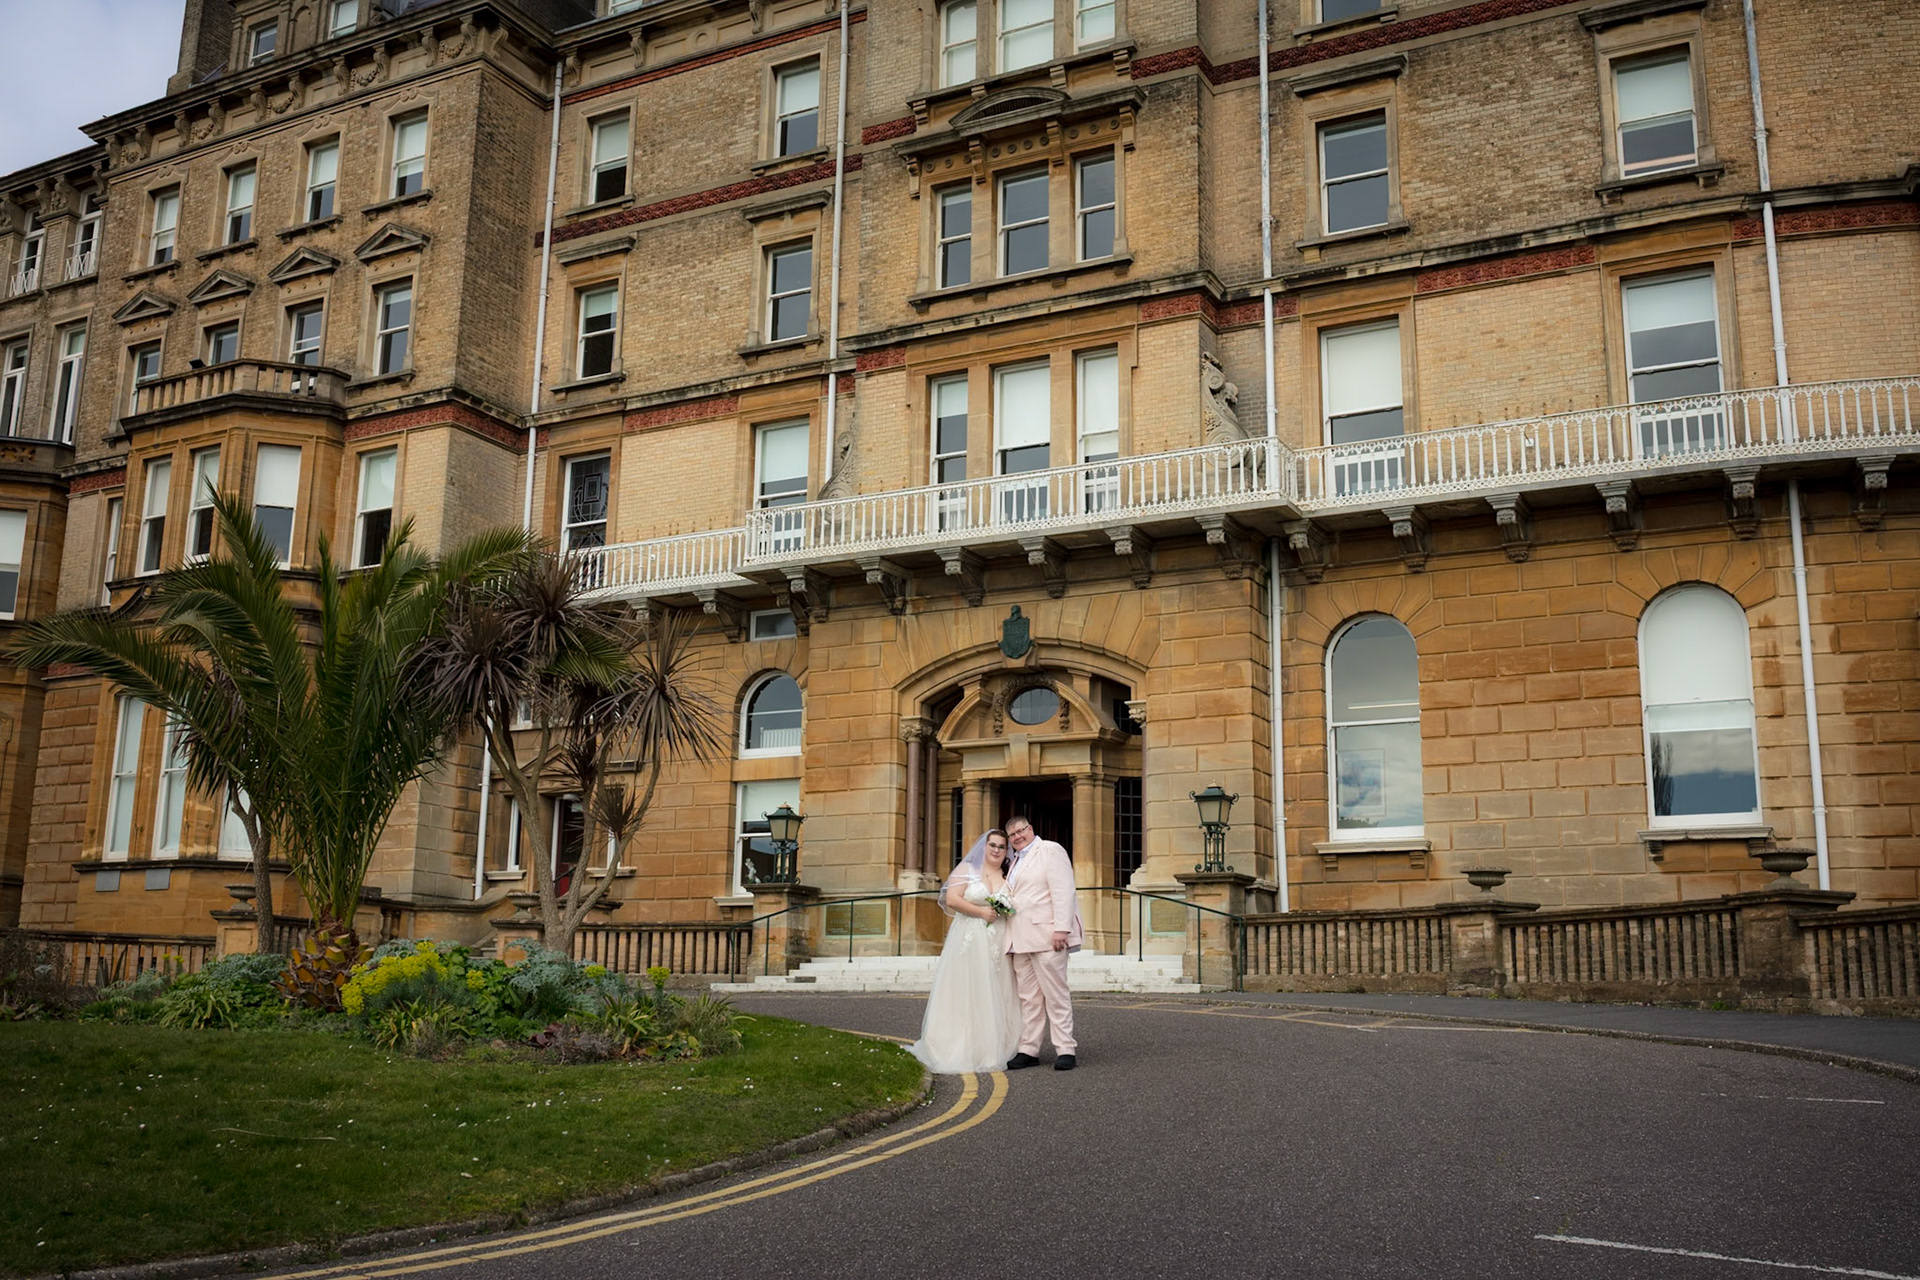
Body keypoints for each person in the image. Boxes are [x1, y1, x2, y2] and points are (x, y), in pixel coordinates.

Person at [908, 828, 1022, 1074]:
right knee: (967, 991)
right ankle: (961, 1046)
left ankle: (992, 1048)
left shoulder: (1009, 875)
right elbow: (952, 899)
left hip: (999, 942)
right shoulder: (967, 870)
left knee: (998, 993)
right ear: (984, 846)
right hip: (969, 941)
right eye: (992, 845)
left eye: (1002, 847)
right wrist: (982, 912)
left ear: (1007, 852)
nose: (996, 850)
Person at [1002, 815, 1084, 1071]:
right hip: (1019, 940)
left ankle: (1065, 1049)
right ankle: (1029, 1049)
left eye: (1021, 830)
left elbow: (1063, 890)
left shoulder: (1049, 849)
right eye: (1012, 834)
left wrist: (1062, 928)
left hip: (1048, 936)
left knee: (1055, 995)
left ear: (1031, 829)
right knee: (1029, 998)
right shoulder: (1013, 861)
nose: (1017, 836)